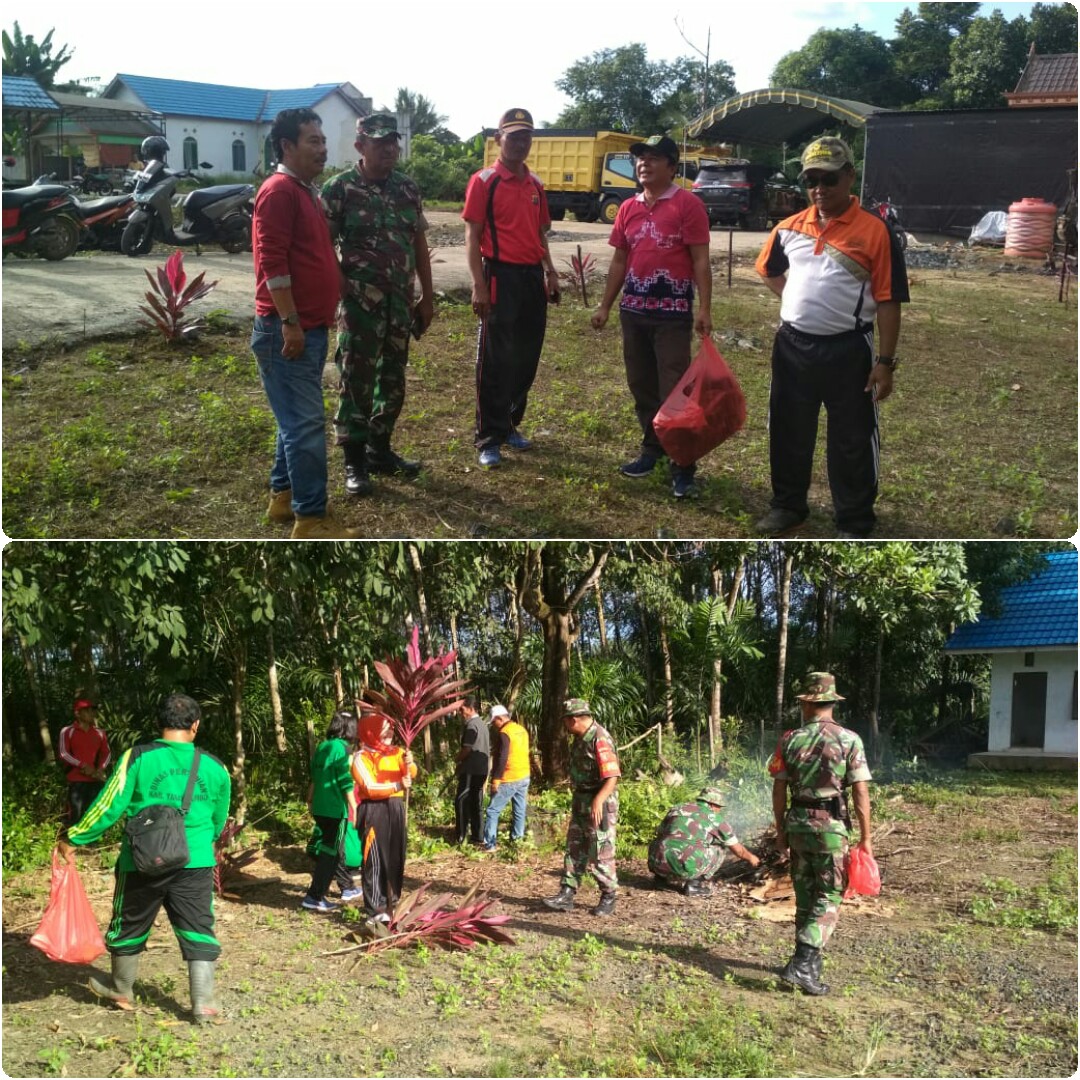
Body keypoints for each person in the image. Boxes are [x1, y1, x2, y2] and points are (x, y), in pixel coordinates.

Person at [754, 136, 909, 539]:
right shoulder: (789, 228)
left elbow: (890, 301)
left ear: (850, 176)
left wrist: (886, 363)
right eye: (811, 180)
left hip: (848, 351)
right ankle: (788, 507)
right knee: (788, 431)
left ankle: (855, 519)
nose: (820, 188)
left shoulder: (876, 232)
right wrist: (795, 301)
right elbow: (769, 269)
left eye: (829, 179)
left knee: (852, 439)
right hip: (792, 347)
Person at [60, 694, 231, 1022]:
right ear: (195, 726)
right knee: (198, 926)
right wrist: (201, 843)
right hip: (194, 861)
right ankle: (205, 1004)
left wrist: (75, 837)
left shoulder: (137, 757)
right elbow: (219, 817)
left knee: (129, 923)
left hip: (141, 861)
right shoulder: (215, 766)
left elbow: (108, 805)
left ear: (159, 723)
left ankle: (123, 990)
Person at [251, 107, 360, 539]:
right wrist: (290, 322)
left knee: (293, 422)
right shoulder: (279, 192)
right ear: (287, 147)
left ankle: (282, 498)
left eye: (322, 139)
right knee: (306, 425)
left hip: (309, 328)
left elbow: (313, 254)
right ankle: (311, 518)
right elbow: (272, 264)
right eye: (312, 140)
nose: (323, 147)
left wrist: (338, 284)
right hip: (288, 331)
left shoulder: (305, 191)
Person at [591, 135, 713, 499]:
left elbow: (700, 260)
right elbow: (619, 261)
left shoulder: (688, 205)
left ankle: (683, 466)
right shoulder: (627, 208)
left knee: (674, 388)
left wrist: (704, 308)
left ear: (672, 167)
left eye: (654, 158)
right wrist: (605, 305)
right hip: (634, 313)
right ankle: (652, 449)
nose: (644, 164)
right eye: (640, 159)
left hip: (672, 316)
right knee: (642, 385)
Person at [322, 113, 435, 496]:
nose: (389, 149)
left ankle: (380, 450)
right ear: (359, 147)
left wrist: (427, 295)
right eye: (378, 142)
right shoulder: (339, 189)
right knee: (356, 380)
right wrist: (341, 287)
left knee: (392, 378)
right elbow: (323, 246)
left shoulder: (407, 188)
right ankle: (354, 462)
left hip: (400, 303)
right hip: (359, 305)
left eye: (393, 142)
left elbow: (418, 242)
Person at [463, 107, 560, 469]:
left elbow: (539, 234)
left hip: (532, 278)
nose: (521, 143)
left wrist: (550, 271)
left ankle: (510, 425)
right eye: (514, 136)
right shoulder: (486, 180)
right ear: (499, 139)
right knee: (495, 359)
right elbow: (471, 235)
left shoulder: (535, 184)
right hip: (498, 276)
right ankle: (489, 437)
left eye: (526, 137)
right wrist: (478, 285)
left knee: (526, 357)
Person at [769, 671, 873, 996]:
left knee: (805, 898)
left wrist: (780, 831)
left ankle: (809, 968)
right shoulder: (849, 739)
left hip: (797, 823)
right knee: (829, 897)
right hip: (830, 828)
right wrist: (866, 838)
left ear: (806, 703)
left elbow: (778, 788)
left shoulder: (789, 739)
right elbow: (860, 794)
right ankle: (802, 963)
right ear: (831, 702)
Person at [542, 698, 621, 917]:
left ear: (574, 720)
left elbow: (612, 776)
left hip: (600, 801)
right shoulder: (580, 738)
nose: (565, 727)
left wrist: (598, 800)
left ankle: (608, 895)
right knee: (574, 845)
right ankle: (566, 893)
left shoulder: (600, 738)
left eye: (566, 722)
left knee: (600, 849)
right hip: (582, 799)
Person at [351, 713, 417, 922]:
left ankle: (393, 903)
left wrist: (410, 763)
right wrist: (397, 785)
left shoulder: (397, 752)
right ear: (370, 733)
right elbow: (369, 787)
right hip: (373, 810)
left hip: (395, 807)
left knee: (396, 856)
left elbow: (410, 773)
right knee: (375, 859)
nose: (389, 733)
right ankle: (376, 909)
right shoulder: (361, 757)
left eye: (390, 729)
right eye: (383, 730)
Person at [648, 784, 760, 896]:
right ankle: (694, 885)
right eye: (719, 806)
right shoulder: (715, 819)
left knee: (663, 841)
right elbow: (739, 850)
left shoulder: (677, 808)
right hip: (684, 868)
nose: (719, 810)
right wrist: (752, 858)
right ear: (712, 804)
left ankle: (660, 880)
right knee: (720, 848)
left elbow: (660, 832)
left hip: (657, 864)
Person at [302, 710, 361, 913]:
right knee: (331, 854)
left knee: (331, 851)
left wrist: (309, 799)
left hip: (320, 807)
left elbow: (315, 775)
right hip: (335, 810)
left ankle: (325, 893)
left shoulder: (322, 746)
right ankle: (315, 896)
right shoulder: (342, 749)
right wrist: (354, 806)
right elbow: (345, 781)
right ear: (350, 728)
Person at [481, 704, 531, 851]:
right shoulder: (521, 729)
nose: (494, 725)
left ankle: (490, 844)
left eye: (494, 721)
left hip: (509, 777)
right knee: (519, 809)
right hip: (524, 775)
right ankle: (517, 842)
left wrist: (496, 780)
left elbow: (502, 758)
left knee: (492, 810)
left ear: (500, 718)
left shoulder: (505, 732)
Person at [58, 696, 112, 825]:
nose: (91, 713)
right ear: (77, 713)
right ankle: (72, 842)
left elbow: (107, 753)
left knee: (94, 813)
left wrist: (100, 768)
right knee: (75, 813)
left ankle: (91, 844)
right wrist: (82, 765)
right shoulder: (67, 731)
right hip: (76, 780)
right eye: (87, 710)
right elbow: (63, 753)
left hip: (95, 779)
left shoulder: (99, 732)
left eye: (92, 710)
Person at [453, 696, 490, 845]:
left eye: (462, 710)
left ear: (470, 709)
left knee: (461, 801)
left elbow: (467, 748)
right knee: (476, 802)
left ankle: (461, 836)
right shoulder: (483, 724)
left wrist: (457, 759)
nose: (461, 713)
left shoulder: (471, 725)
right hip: (481, 770)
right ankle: (478, 836)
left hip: (470, 769)